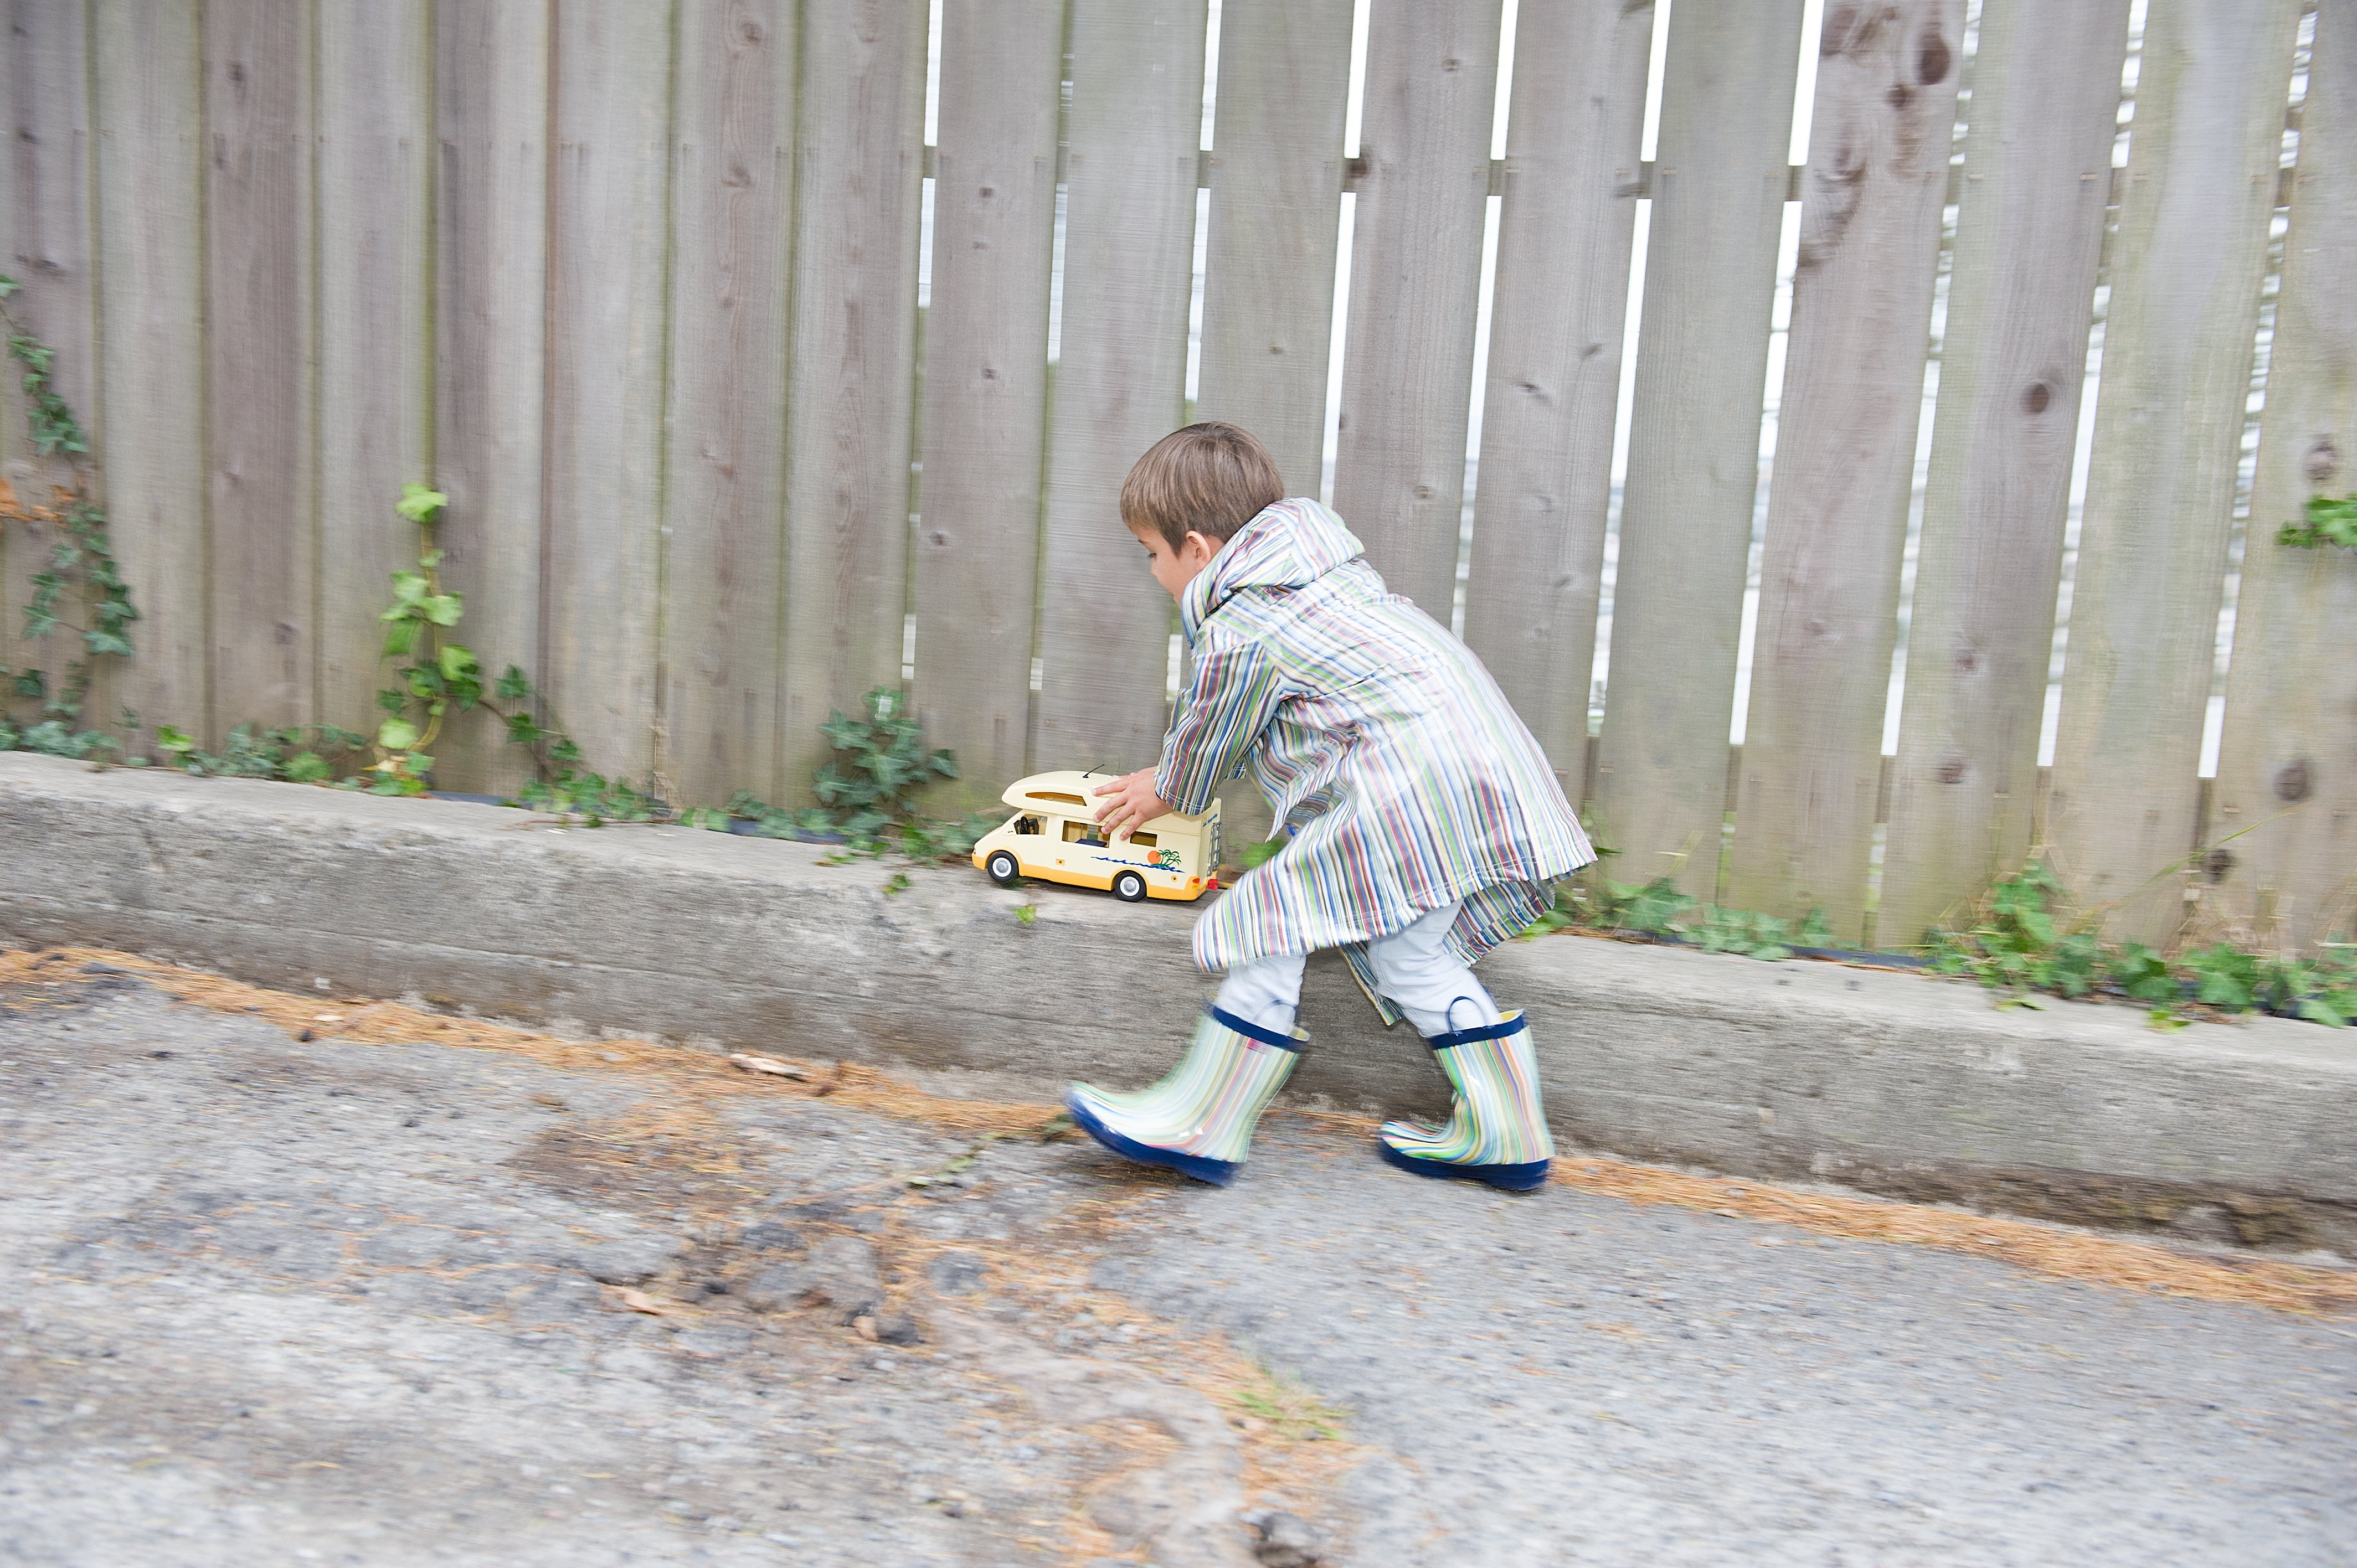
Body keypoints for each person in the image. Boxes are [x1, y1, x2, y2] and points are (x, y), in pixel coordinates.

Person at [1072, 423, 1596, 1192]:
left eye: (1152, 553)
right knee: (1410, 954)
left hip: (1412, 783)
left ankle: (1206, 1121)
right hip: (1474, 769)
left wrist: (1167, 788)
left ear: (1197, 548)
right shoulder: (1327, 578)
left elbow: (1214, 726)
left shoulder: (1247, 619)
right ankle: (1507, 1130)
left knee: (1274, 914)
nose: (1155, 572)